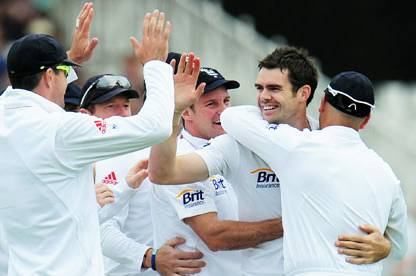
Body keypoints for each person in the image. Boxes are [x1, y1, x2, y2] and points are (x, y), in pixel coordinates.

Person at [0, 7, 200, 276]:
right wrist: (154, 64)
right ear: (49, 76)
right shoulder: (61, 130)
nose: (69, 83)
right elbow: (156, 126)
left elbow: (18, 90)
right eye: (64, 72)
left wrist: (65, 59)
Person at [149, 46, 393, 275]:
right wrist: (173, 111)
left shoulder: (328, 143)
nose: (263, 97)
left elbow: (368, 207)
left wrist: (386, 245)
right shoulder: (238, 141)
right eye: (259, 88)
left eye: (274, 88)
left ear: (303, 93)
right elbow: (164, 174)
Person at [220, 71, 408, 275]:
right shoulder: (386, 174)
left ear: (322, 104)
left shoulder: (298, 146)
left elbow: (231, 117)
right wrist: (386, 247)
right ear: (365, 121)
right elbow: (399, 249)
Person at [150, 53, 283, 276]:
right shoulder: (179, 158)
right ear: (187, 112)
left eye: (226, 101)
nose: (224, 111)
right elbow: (215, 236)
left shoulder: (239, 145)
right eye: (211, 104)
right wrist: (291, 224)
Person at [80, 66, 206, 275]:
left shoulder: (145, 148)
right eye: (111, 107)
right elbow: (102, 231)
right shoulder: (116, 153)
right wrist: (151, 257)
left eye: (126, 106)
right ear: (86, 115)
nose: (123, 115)